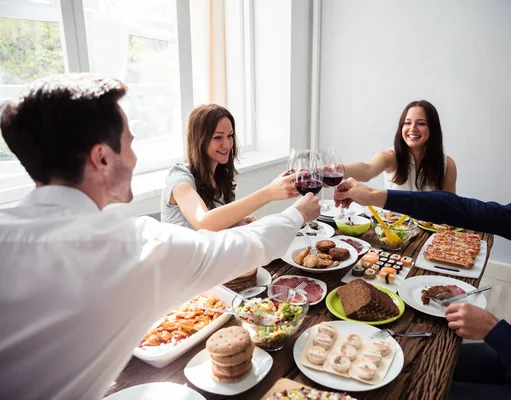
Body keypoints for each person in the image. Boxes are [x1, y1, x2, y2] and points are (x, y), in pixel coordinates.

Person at [0, 74, 320, 399]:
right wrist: (297, 213)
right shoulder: (139, 247)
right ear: (102, 157)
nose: (136, 158)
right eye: (131, 143)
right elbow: (248, 246)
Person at [333, 99, 511, 399]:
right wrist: (375, 195)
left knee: (419, 391)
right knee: (413, 360)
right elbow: (463, 209)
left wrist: (495, 331)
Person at [161, 104, 297, 230]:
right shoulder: (179, 178)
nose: (227, 144)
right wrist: (269, 193)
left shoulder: (218, 177)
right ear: (199, 140)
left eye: (230, 135)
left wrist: (234, 223)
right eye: (218, 138)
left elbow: (214, 229)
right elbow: (204, 222)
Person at [343, 100, 457, 193]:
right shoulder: (390, 156)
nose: (412, 128)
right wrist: (336, 170)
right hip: (392, 221)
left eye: (421, 123)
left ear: (433, 128)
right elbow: (367, 170)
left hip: (430, 222)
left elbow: (450, 208)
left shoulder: (447, 164)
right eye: (407, 123)